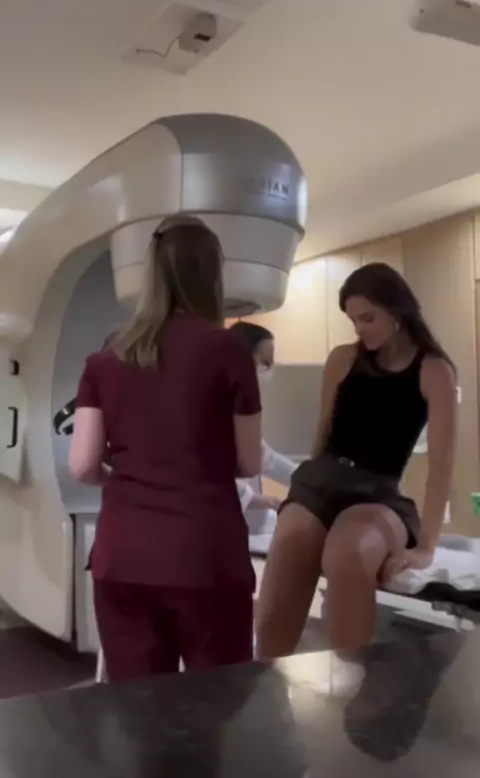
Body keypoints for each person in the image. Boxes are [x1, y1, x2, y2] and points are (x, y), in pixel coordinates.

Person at [68, 215, 262, 681]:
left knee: (139, 708)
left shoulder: (105, 358)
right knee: (216, 703)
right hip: (206, 556)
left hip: (123, 555)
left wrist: (129, 477)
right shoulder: (229, 350)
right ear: (212, 275)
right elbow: (249, 461)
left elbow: (83, 466)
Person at [255, 262, 457, 658]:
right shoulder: (343, 359)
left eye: (368, 318)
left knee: (348, 552)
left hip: (378, 495)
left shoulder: (434, 371)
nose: (360, 329)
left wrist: (426, 547)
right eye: (353, 321)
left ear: (397, 312)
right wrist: (302, 493)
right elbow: (323, 433)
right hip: (322, 482)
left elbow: (442, 465)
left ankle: (355, 683)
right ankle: (264, 679)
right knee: (292, 542)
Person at [228, 321, 298, 514]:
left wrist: (311, 480)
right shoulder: (211, 409)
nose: (269, 370)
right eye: (265, 363)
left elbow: (267, 459)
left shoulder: (244, 409)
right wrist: (258, 499)